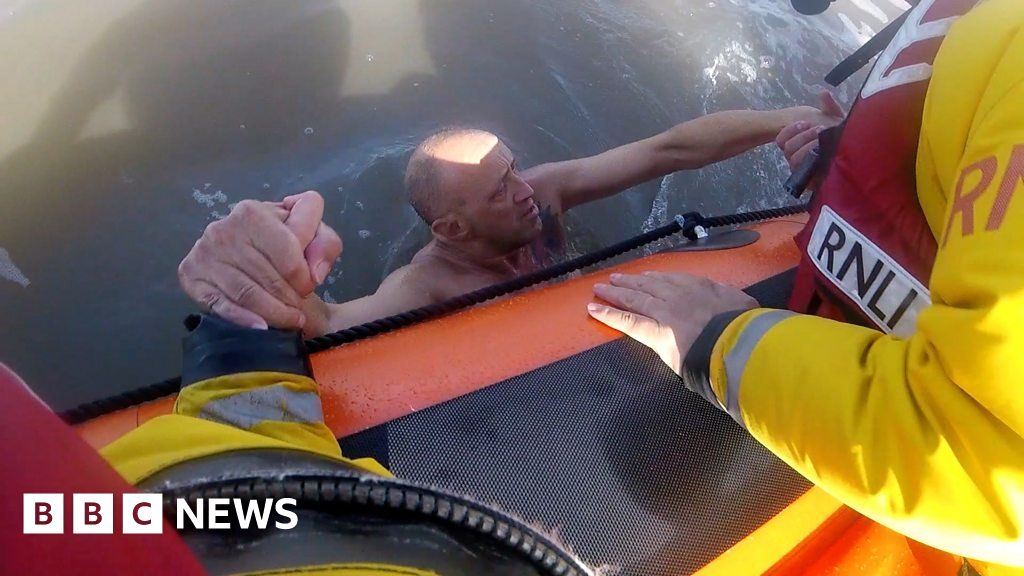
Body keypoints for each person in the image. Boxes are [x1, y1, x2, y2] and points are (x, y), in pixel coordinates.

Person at [586, 0, 1024, 570]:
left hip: (921, 491)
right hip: (849, 361)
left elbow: (994, 446)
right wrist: (855, 154)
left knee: (636, 463)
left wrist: (718, 338)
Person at [177, 105, 839, 336]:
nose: (527, 192)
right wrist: (264, 265)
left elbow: (666, 148)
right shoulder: (426, 284)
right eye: (498, 192)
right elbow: (332, 325)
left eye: (515, 169)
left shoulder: (541, 195)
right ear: (452, 231)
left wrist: (793, 122)